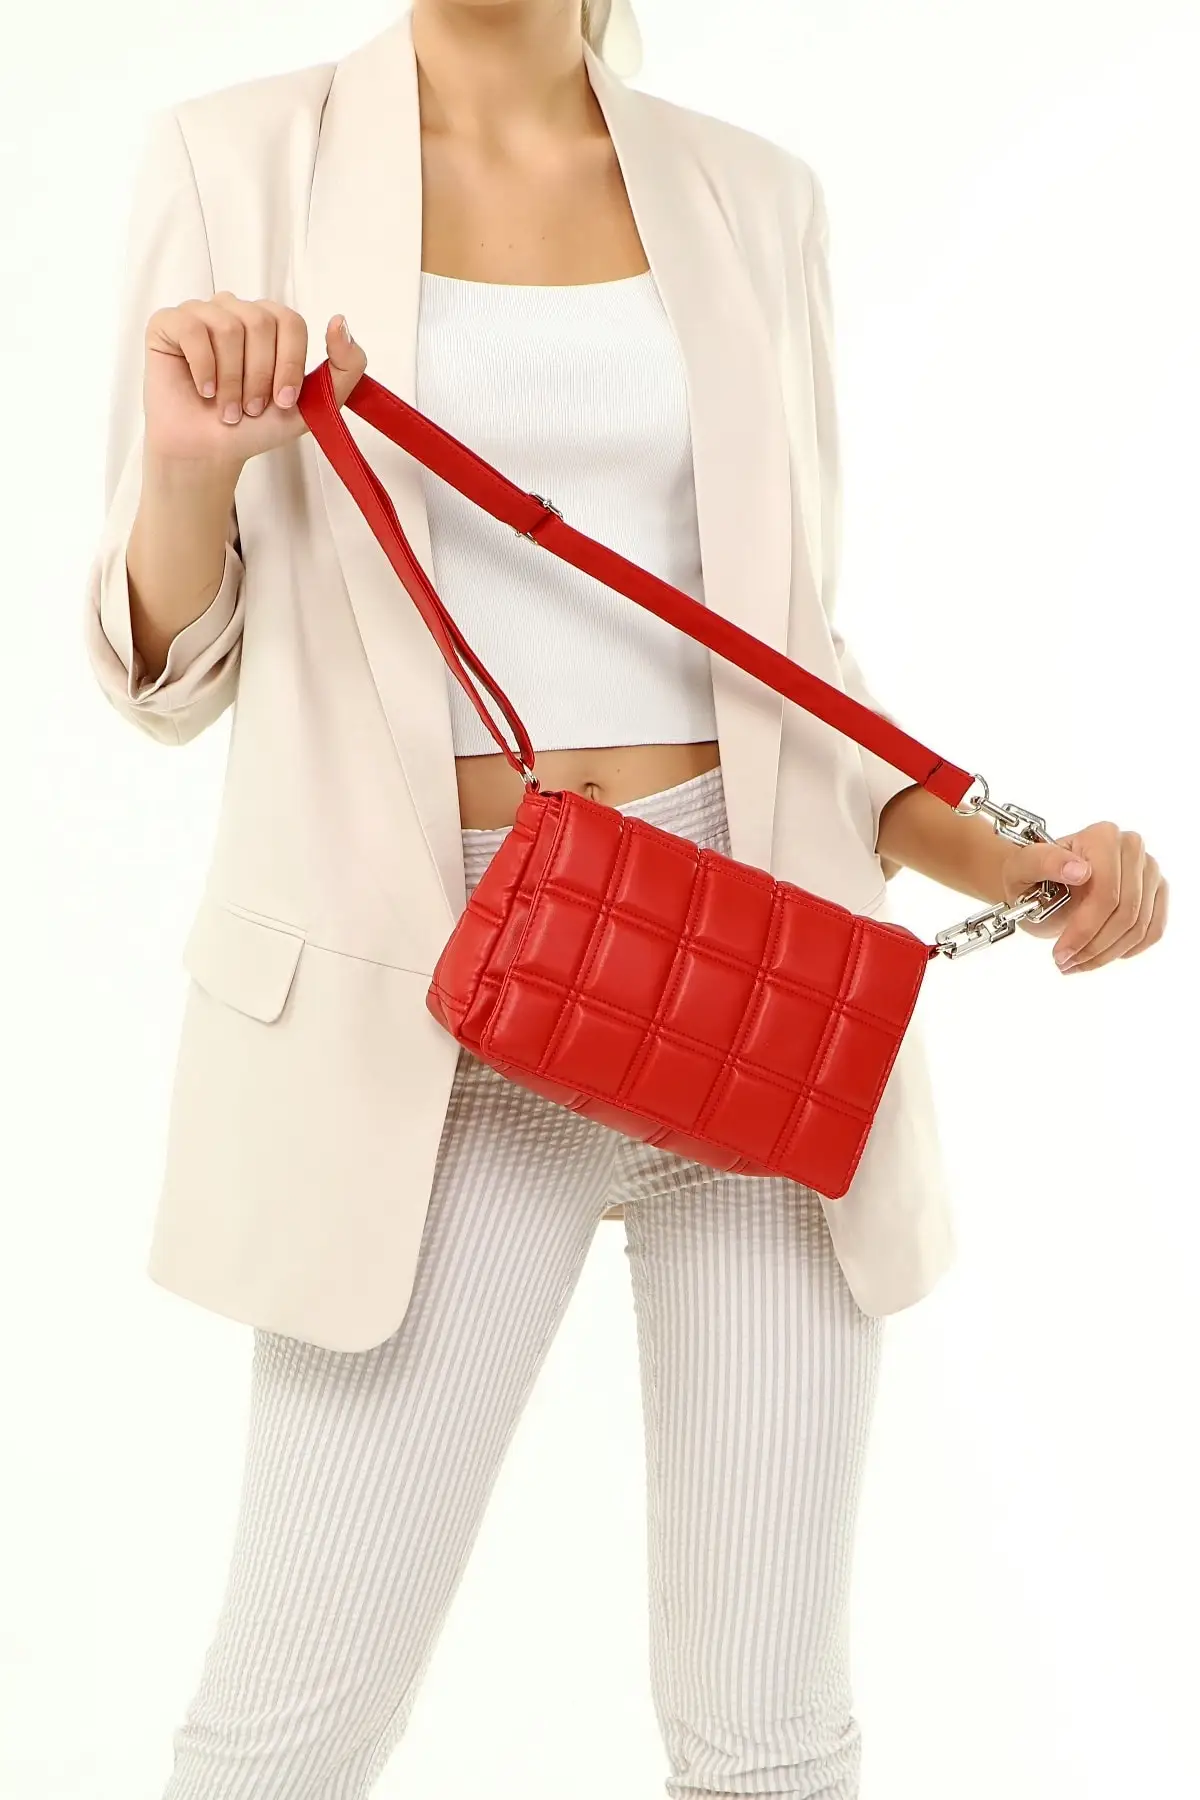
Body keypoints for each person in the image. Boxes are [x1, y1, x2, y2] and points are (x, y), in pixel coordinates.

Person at [83, 4, 1167, 1796]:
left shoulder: (753, 195)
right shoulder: (235, 157)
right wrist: (193, 470)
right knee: (286, 1735)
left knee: (769, 1736)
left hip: (754, 987)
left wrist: (1014, 859)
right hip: (422, 1008)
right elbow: (167, 675)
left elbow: (791, 654)